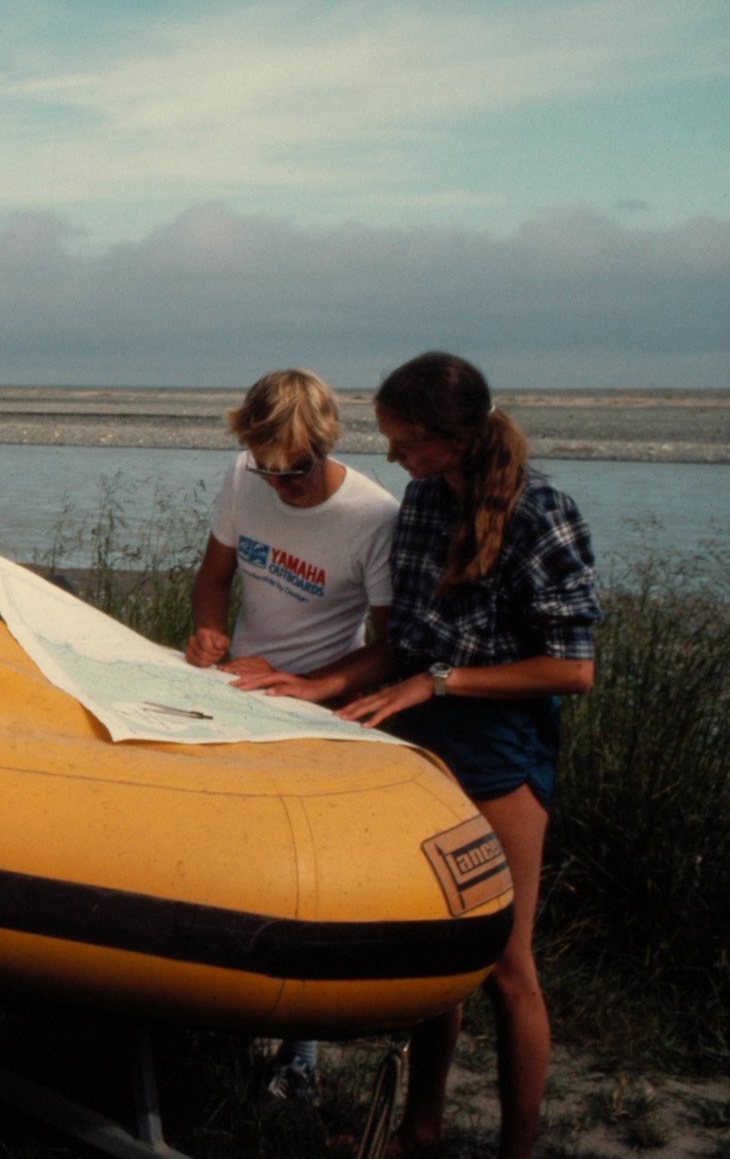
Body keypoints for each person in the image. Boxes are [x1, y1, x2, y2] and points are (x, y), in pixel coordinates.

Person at [236, 351, 599, 1159]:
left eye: (406, 445)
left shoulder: (546, 513)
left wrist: (438, 683)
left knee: (506, 965)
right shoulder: (426, 505)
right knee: (442, 945)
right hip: (422, 727)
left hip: (500, 742)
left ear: (459, 437)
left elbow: (572, 669)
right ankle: (422, 1128)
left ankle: (520, 1148)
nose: (393, 459)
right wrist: (317, 684)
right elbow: (401, 645)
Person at [183, 368, 399, 1104]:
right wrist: (209, 630)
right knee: (228, 857)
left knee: (307, 881)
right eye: (270, 471)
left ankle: (300, 1053)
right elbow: (214, 576)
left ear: (328, 442)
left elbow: (390, 646)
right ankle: (227, 1016)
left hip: (318, 706)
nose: (285, 486)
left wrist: (312, 686)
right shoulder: (245, 478)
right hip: (240, 691)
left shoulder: (373, 514)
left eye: (298, 470)